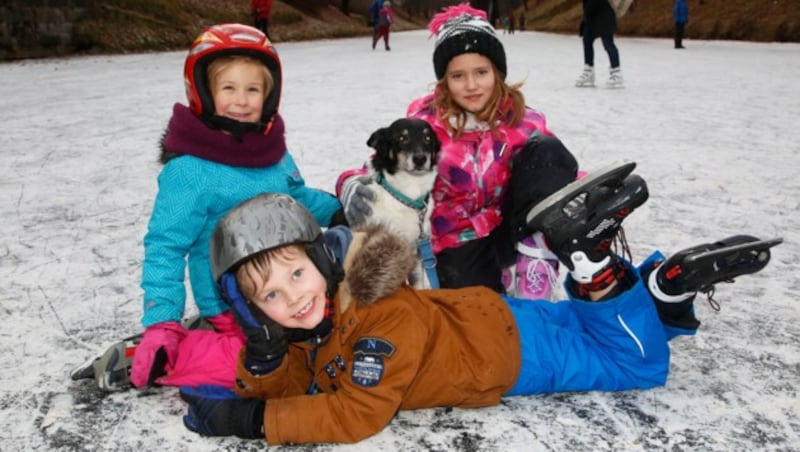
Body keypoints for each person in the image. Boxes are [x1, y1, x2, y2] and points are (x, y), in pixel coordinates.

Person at [177, 167, 778, 445]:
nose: (293, 298)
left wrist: (251, 423)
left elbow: (357, 413)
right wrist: (261, 364)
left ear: (324, 259)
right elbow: (302, 378)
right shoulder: (323, 316)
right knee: (603, 329)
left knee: (636, 365)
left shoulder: (377, 317)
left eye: (296, 274)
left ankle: (596, 264)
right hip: (498, 318)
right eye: (269, 297)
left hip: (511, 355)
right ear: (252, 310)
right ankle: (663, 289)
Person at [128, 23, 343, 390]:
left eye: (252, 89)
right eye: (229, 88)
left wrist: (341, 210)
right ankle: (174, 352)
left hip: (290, 286)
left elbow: (296, 199)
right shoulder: (191, 171)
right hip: (234, 305)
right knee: (267, 371)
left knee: (342, 336)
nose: (242, 101)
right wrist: (162, 321)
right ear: (204, 94)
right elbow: (166, 247)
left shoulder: (272, 153)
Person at [338, 4, 578, 300]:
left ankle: (534, 265)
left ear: (497, 72)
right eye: (458, 76)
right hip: (455, 242)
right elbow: (381, 167)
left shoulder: (523, 121)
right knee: (473, 304)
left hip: (507, 231)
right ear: (444, 80)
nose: (471, 85)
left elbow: (552, 170)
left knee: (548, 150)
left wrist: (583, 192)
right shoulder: (427, 126)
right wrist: (349, 183)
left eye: (481, 72)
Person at [575, 0, 623, 88]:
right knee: (587, 41)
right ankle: (588, 71)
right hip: (591, 16)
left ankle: (616, 72)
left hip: (605, 15)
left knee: (608, 44)